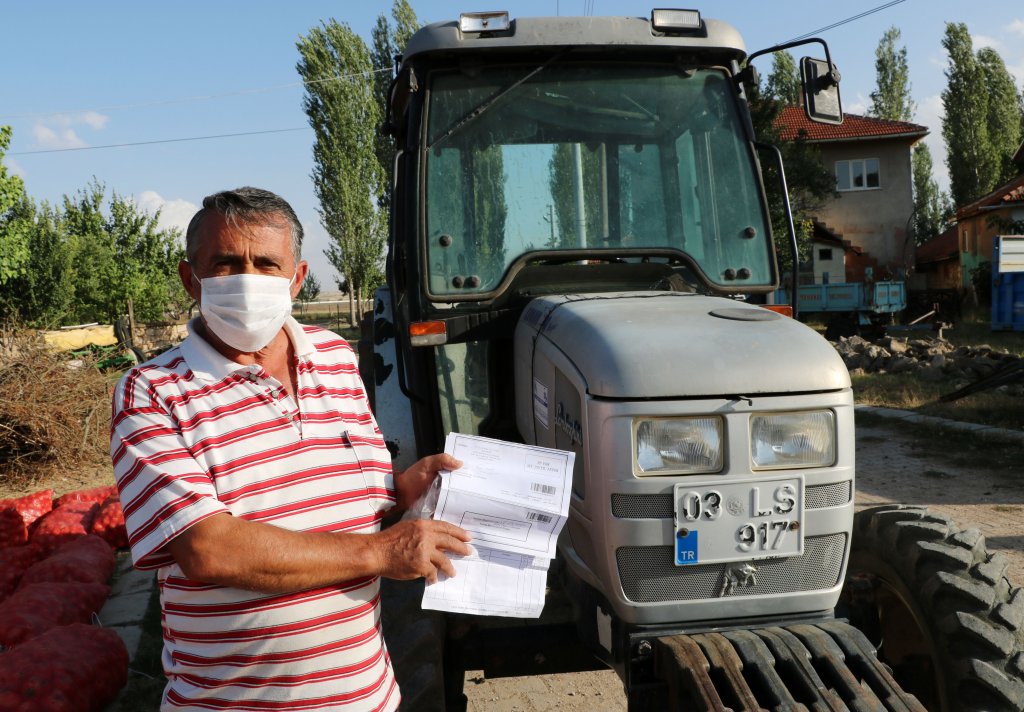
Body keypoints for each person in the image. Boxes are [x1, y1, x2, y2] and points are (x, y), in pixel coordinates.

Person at [110, 187, 471, 711]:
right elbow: (208, 549)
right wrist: (382, 551)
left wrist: (399, 493)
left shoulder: (335, 359)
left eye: (266, 264)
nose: (247, 280)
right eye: (226, 264)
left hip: (367, 698)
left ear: (297, 278)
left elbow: (340, 501)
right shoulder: (153, 391)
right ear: (192, 279)